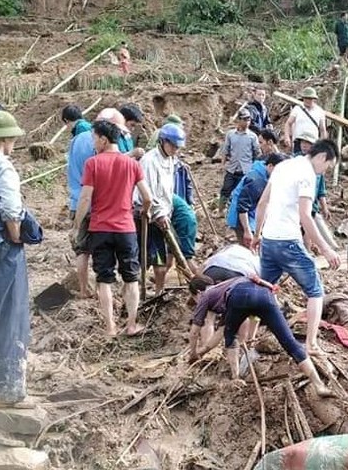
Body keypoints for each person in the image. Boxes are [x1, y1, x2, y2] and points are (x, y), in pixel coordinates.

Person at [253, 139, 341, 355]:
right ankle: (311, 344)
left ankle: (249, 337)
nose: (324, 172)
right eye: (327, 167)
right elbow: (305, 216)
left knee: (263, 291)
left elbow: (262, 203)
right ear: (322, 157)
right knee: (315, 290)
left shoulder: (283, 166)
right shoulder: (307, 175)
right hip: (288, 241)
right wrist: (325, 249)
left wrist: (257, 234)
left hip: (269, 239)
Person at [0, 110, 40, 407]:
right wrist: (16, 234)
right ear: (4, 138)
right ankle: (9, 393)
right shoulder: (1, 165)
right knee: (9, 320)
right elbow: (11, 210)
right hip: (0, 252)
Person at [188, 276, 333, 396]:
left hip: (240, 298)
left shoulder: (206, 295)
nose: (196, 301)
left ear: (198, 292)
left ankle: (236, 377)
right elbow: (221, 331)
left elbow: (195, 331)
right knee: (290, 342)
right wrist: (202, 352)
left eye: (194, 298)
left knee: (231, 337)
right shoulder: (226, 287)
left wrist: (193, 353)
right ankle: (319, 385)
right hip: (265, 296)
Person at [73, 121, 152, 337]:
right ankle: (132, 324)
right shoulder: (133, 164)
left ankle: (110, 328)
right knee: (131, 277)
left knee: (104, 278)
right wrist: (145, 211)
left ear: (103, 140)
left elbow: (86, 197)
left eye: (94, 138)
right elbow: (147, 197)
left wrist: (77, 225)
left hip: (100, 229)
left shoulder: (93, 164)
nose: (92, 143)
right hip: (126, 229)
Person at [135, 124, 186, 296]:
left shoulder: (171, 160)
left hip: (164, 213)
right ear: (163, 141)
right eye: (173, 146)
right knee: (145, 257)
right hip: (147, 215)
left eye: (177, 147)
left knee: (161, 258)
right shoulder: (149, 161)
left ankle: (159, 291)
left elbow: (166, 190)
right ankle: (137, 291)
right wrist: (159, 213)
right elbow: (148, 192)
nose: (175, 150)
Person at [227, 153, 288, 247]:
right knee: (250, 249)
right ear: (270, 166)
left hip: (254, 216)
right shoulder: (256, 180)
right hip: (242, 219)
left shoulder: (267, 175)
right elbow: (242, 207)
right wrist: (247, 231)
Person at [67, 120, 97, 298]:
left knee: (82, 250)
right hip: (96, 204)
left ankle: (84, 290)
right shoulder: (95, 143)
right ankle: (101, 290)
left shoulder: (73, 144)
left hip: (77, 202)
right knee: (100, 250)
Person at [219, 108, 261, 208]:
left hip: (245, 170)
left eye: (248, 120)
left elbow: (257, 153)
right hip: (232, 168)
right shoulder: (230, 134)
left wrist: (254, 167)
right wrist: (222, 164)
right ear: (239, 120)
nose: (247, 122)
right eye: (244, 119)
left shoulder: (252, 136)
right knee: (225, 190)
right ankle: (221, 210)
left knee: (242, 193)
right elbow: (225, 150)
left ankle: (236, 212)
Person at [283, 87, 327, 153]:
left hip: (313, 142)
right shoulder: (297, 109)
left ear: (314, 99)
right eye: (306, 98)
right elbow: (288, 123)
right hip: (299, 141)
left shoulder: (319, 111)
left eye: (310, 98)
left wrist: (322, 144)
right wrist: (287, 137)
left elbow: (322, 130)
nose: (307, 100)